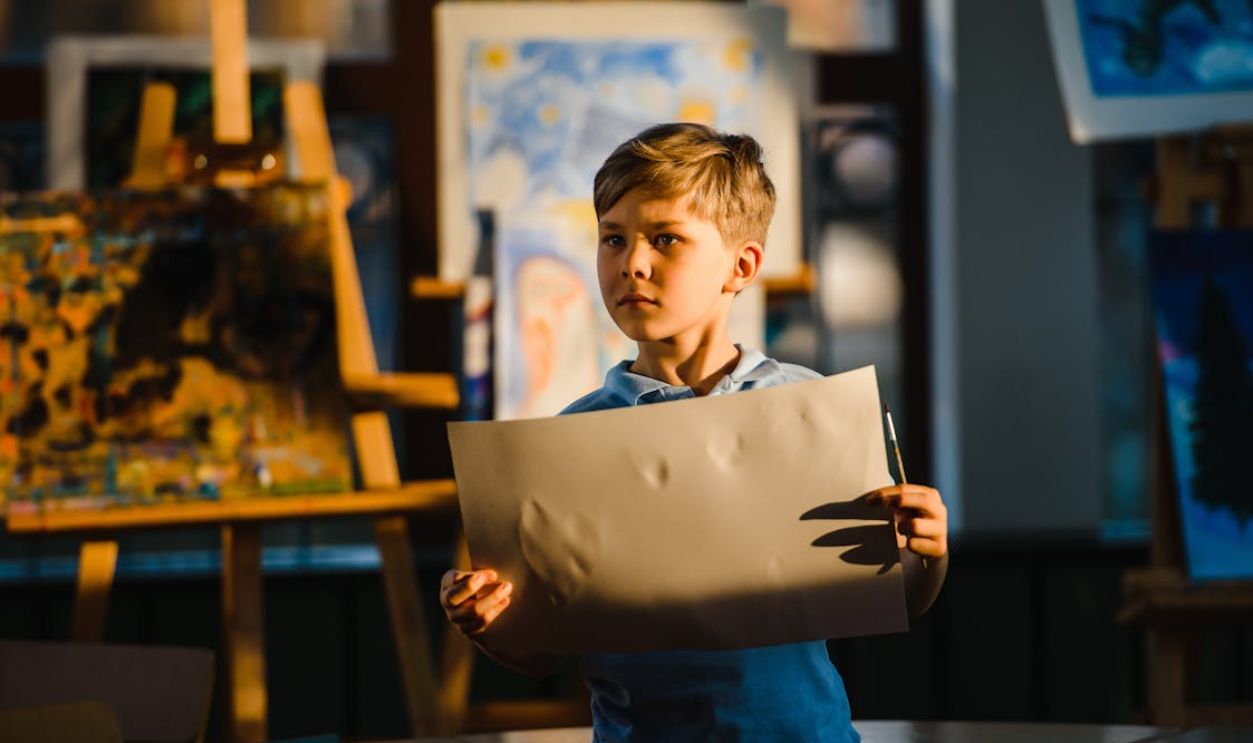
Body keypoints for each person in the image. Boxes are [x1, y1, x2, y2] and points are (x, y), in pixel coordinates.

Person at [440, 123, 948, 742]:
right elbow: (546, 653)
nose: (632, 264)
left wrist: (927, 551)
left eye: (665, 239)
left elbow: (899, 597)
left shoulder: (807, 407)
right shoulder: (574, 438)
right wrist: (489, 622)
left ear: (741, 264)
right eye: (613, 239)